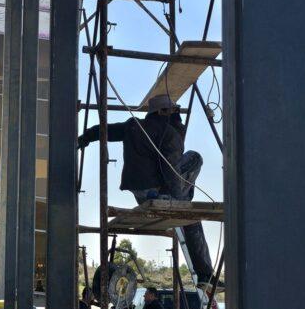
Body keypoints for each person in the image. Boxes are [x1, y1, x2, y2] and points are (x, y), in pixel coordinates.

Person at [78, 94, 215, 288]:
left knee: (189, 214)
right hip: (161, 191)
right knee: (195, 157)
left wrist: (85, 137)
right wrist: (179, 204)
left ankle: (205, 274)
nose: (177, 115)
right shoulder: (169, 132)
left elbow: (104, 130)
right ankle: (205, 275)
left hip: (140, 193)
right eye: (174, 111)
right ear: (163, 112)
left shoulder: (133, 126)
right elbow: (171, 169)